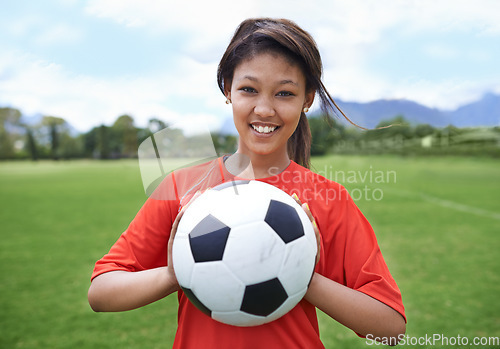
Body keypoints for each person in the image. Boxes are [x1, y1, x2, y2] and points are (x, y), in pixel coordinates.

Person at [88, 18, 406, 348]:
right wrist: (173, 274)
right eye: (248, 89)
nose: (264, 109)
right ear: (228, 90)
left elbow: (390, 328)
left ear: (307, 100)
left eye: (285, 93)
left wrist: (305, 279)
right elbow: (101, 292)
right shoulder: (182, 188)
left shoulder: (327, 199)